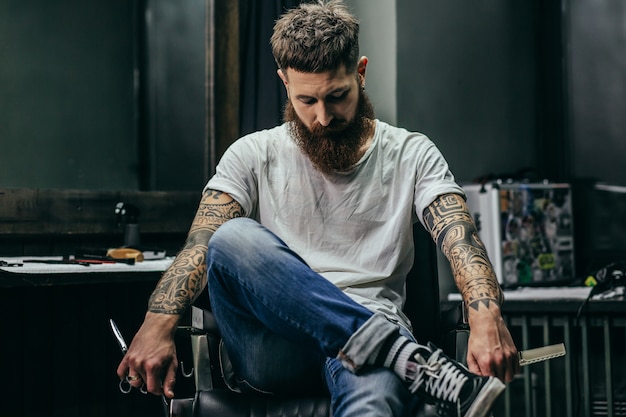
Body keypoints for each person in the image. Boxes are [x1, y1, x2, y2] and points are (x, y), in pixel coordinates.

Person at [117, 1, 520, 416]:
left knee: (374, 397)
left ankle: (386, 350)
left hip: (375, 330)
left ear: (360, 73)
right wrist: (156, 323)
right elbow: (200, 245)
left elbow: (460, 237)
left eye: (337, 96)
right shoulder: (253, 154)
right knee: (230, 238)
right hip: (275, 348)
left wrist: (486, 319)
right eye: (306, 100)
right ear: (283, 82)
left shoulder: (411, 153)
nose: (323, 117)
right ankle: (397, 353)